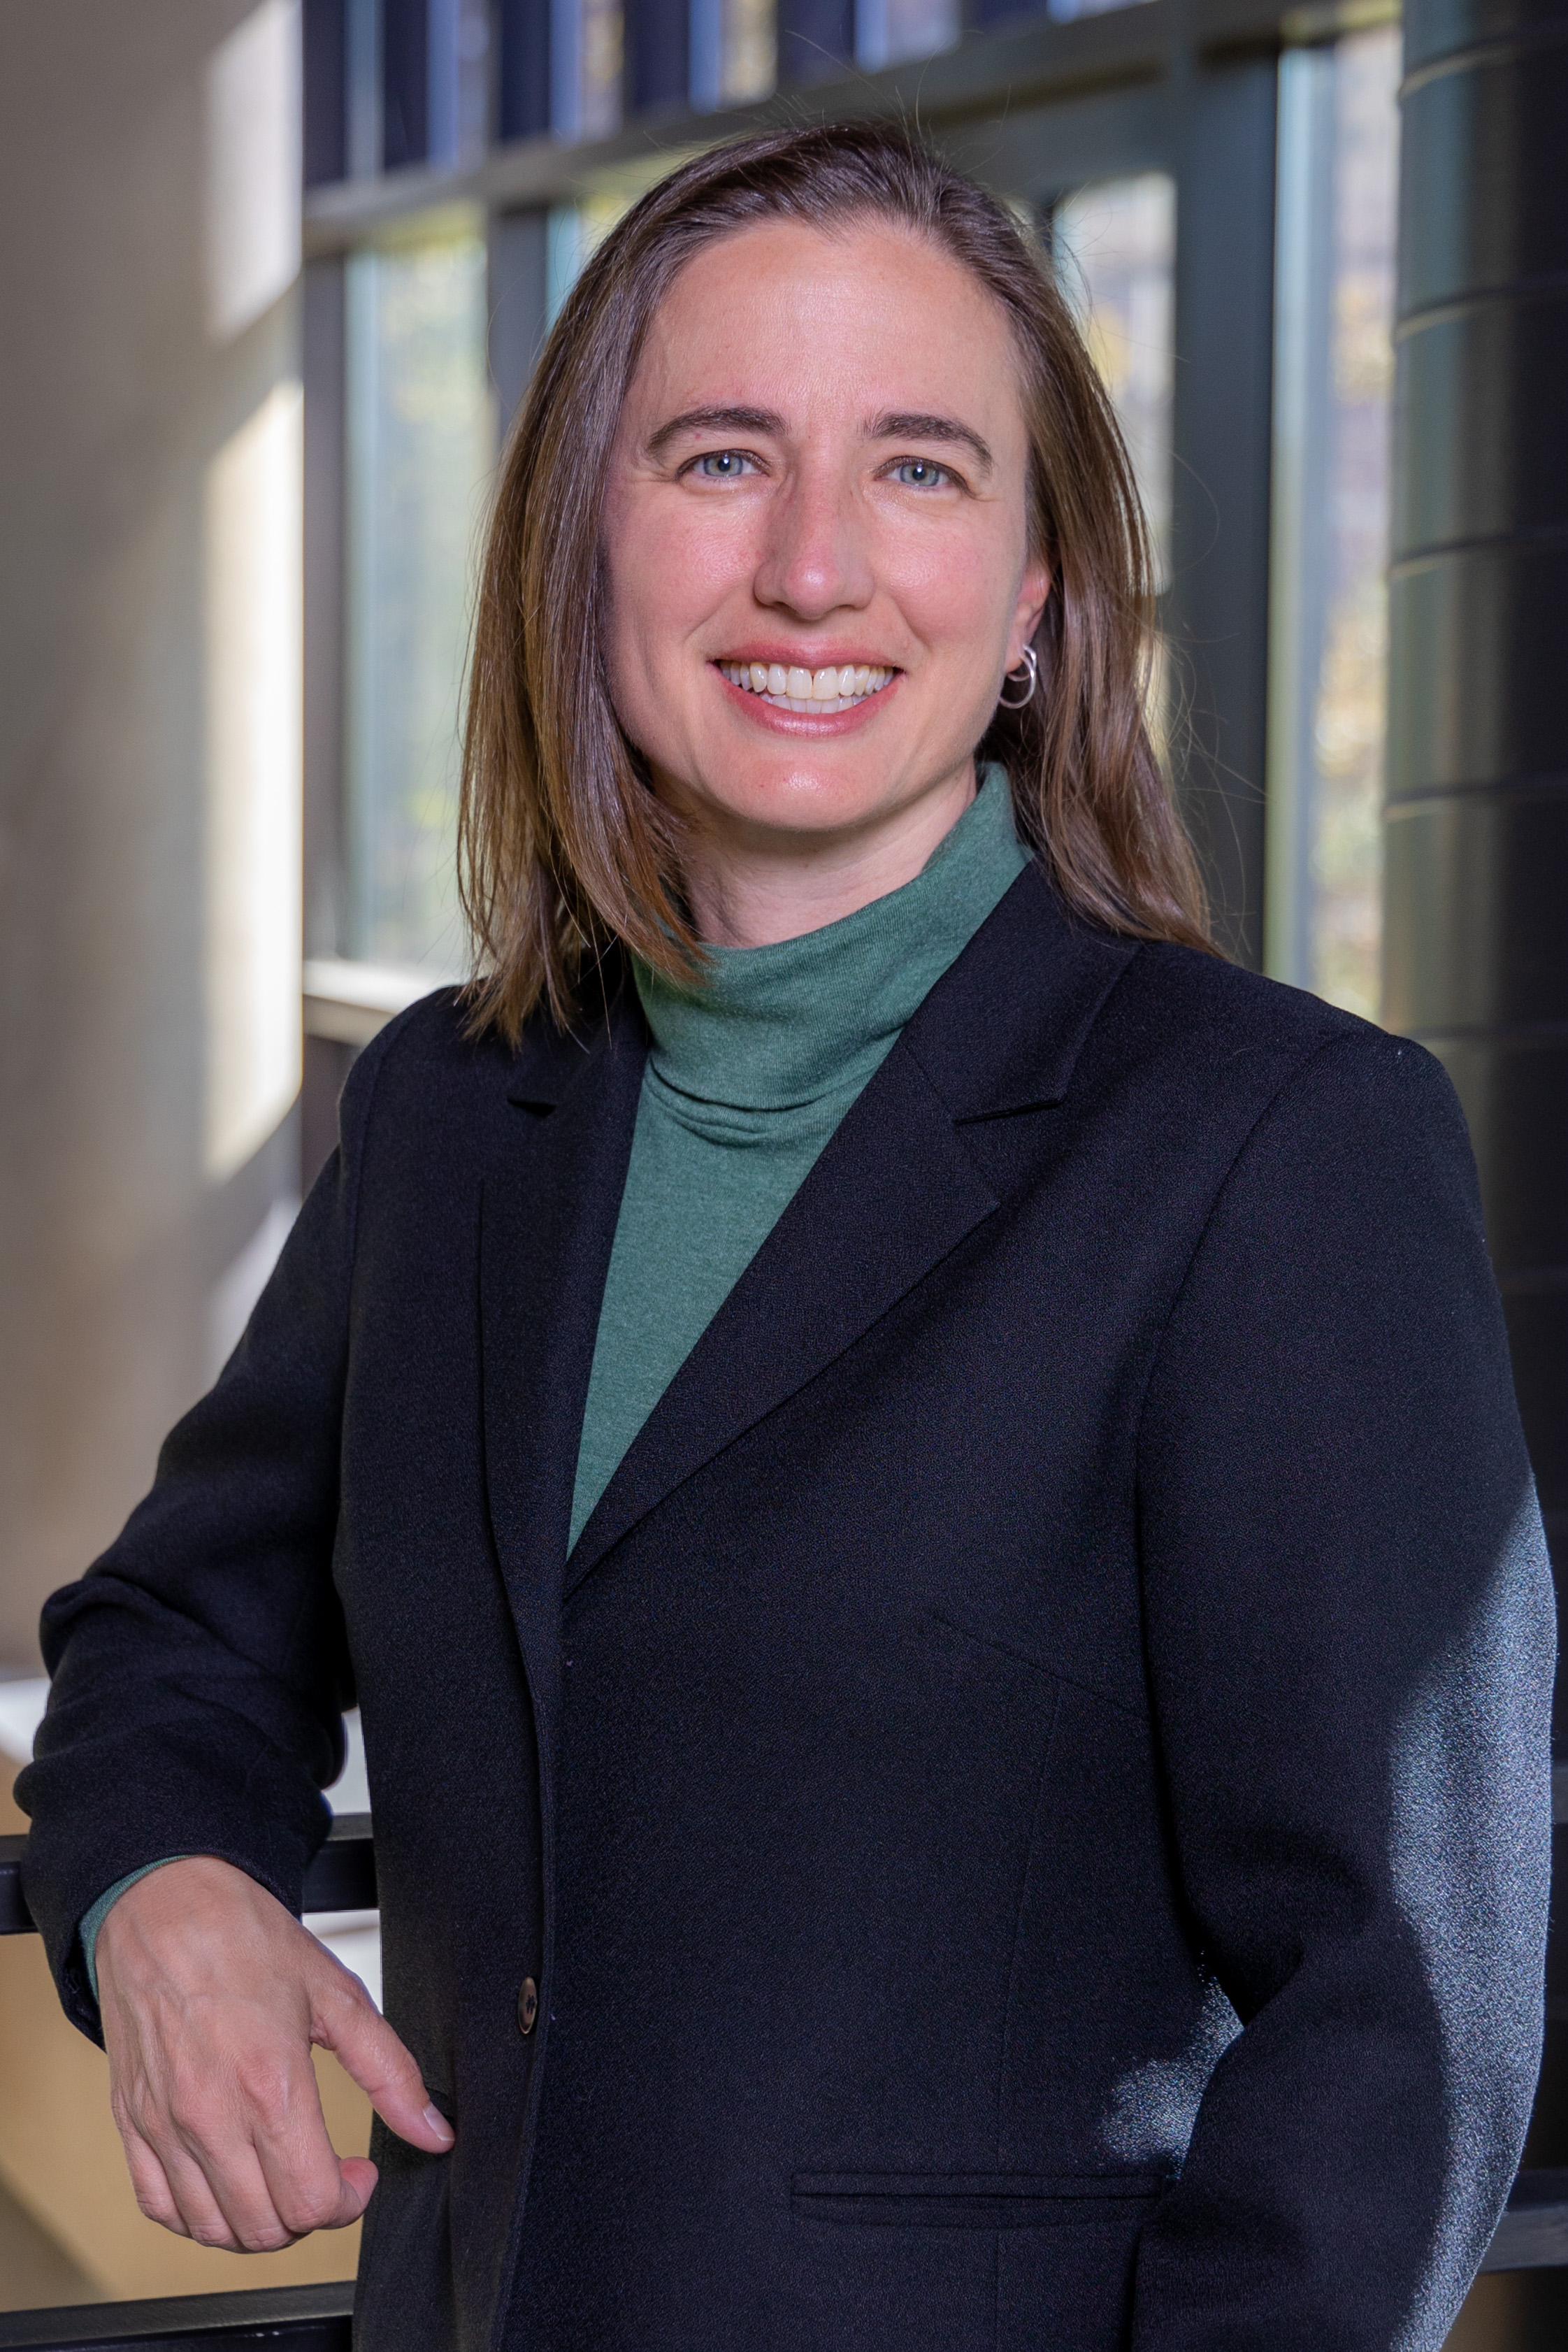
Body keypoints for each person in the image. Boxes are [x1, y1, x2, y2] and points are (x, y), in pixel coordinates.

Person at [17, 122, 1553, 2352]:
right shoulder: (461, 1103)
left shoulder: (1274, 1147)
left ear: (1035, 597)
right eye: (722, 456)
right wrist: (158, 1885)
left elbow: (1399, 2025)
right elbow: (177, 1623)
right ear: (585, 543)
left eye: (921, 470)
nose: (814, 566)